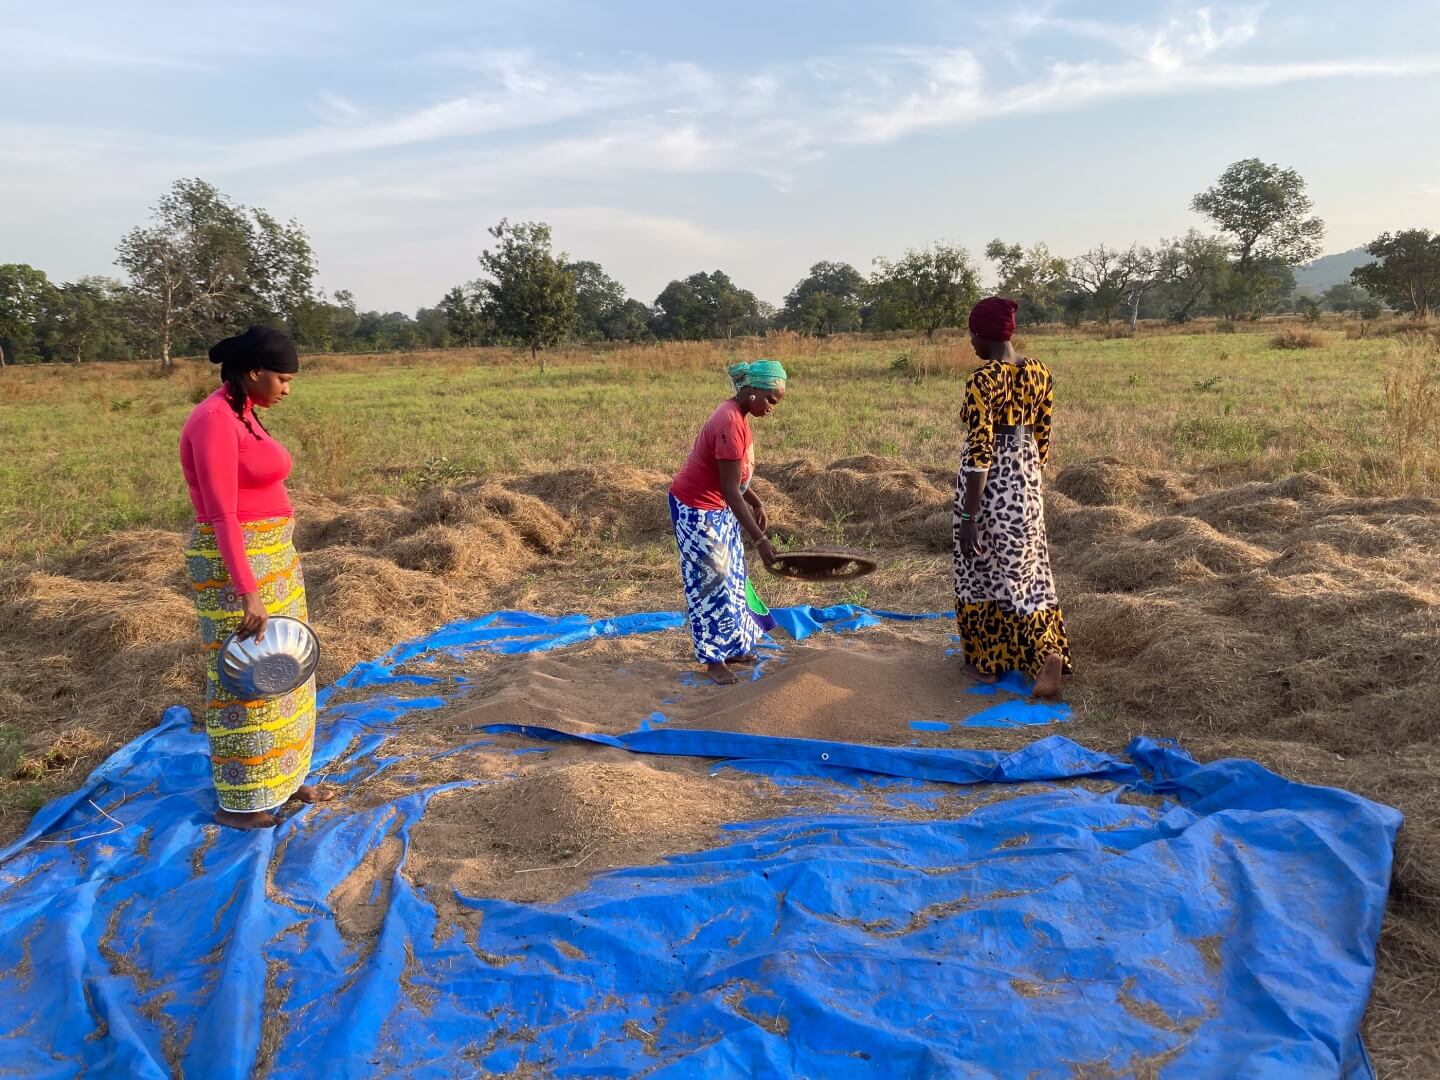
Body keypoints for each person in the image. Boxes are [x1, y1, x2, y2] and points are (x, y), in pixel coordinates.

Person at [179, 326, 333, 829]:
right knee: (242, 679)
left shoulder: (246, 414)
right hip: (236, 569)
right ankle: (240, 801)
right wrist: (248, 592)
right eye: (283, 379)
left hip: (274, 560)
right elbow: (223, 516)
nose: (288, 389)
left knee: (286, 669)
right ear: (254, 373)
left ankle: (284, 780)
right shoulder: (212, 421)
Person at [953, 297, 1070, 699]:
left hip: (988, 488)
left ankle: (1026, 658)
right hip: (1026, 480)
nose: (970, 341)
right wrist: (1028, 480)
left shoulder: (982, 380)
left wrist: (970, 518)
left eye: (972, 333)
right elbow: (1044, 437)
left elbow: (981, 451)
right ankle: (1024, 654)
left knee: (982, 569)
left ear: (984, 334)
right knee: (1027, 568)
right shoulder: (1039, 372)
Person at [668, 359, 787, 685]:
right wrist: (760, 541)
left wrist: (757, 500)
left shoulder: (739, 416)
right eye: (771, 400)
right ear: (753, 391)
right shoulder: (728, 423)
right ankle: (712, 658)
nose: (772, 408)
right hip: (696, 509)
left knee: (733, 578)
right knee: (710, 582)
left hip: (717, 506)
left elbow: (734, 482)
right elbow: (730, 489)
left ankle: (732, 647)